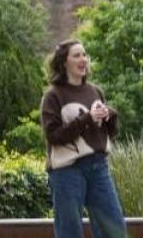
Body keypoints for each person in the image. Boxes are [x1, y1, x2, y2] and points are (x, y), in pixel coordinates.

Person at [41, 39, 127, 238]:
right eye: (76, 55)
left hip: (99, 167)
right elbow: (53, 135)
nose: (83, 59)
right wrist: (87, 118)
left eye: (84, 55)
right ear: (64, 62)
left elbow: (109, 133)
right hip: (67, 171)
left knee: (114, 229)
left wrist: (109, 116)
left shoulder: (95, 91)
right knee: (69, 231)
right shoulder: (53, 96)